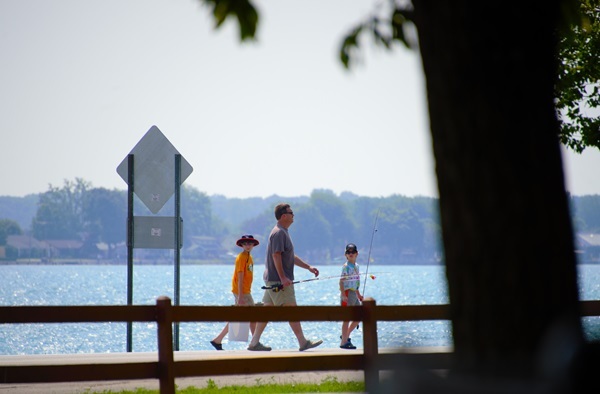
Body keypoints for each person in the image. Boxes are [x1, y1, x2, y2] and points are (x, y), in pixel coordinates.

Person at [247, 203, 323, 352]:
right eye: (291, 212)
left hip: (272, 279)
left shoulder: (283, 232)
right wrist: (282, 278)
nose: (293, 215)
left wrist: (308, 267)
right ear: (283, 216)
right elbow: (276, 256)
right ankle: (302, 342)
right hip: (278, 281)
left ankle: (254, 343)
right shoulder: (279, 233)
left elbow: (289, 256)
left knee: (266, 311)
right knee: (291, 310)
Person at [210, 234, 259, 350]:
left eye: (250, 243)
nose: (248, 245)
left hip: (245, 291)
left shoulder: (249, 257)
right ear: (242, 245)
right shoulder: (241, 257)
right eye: (245, 243)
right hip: (242, 291)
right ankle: (255, 343)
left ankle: (218, 339)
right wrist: (241, 296)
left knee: (241, 316)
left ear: (253, 245)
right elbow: (240, 275)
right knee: (253, 316)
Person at [339, 243, 363, 349]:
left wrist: (359, 294)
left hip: (354, 293)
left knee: (359, 316)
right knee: (346, 319)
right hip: (348, 293)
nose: (351, 254)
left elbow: (356, 283)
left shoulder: (357, 266)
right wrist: (343, 294)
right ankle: (343, 342)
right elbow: (341, 282)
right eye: (348, 252)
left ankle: (345, 336)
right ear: (346, 255)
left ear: (357, 254)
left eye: (353, 252)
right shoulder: (346, 267)